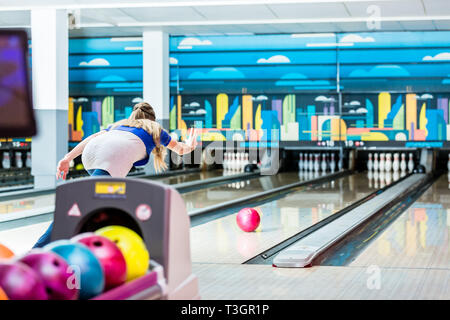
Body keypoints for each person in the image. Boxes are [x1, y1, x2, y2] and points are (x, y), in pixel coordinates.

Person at [33, 102, 197, 248]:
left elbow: (93, 137)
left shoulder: (119, 125)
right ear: (152, 118)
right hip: (111, 159)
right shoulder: (154, 128)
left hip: (91, 155)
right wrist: (190, 145)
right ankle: (37, 250)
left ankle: (96, 242)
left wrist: (67, 158)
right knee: (78, 206)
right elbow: (181, 149)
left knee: (104, 204)